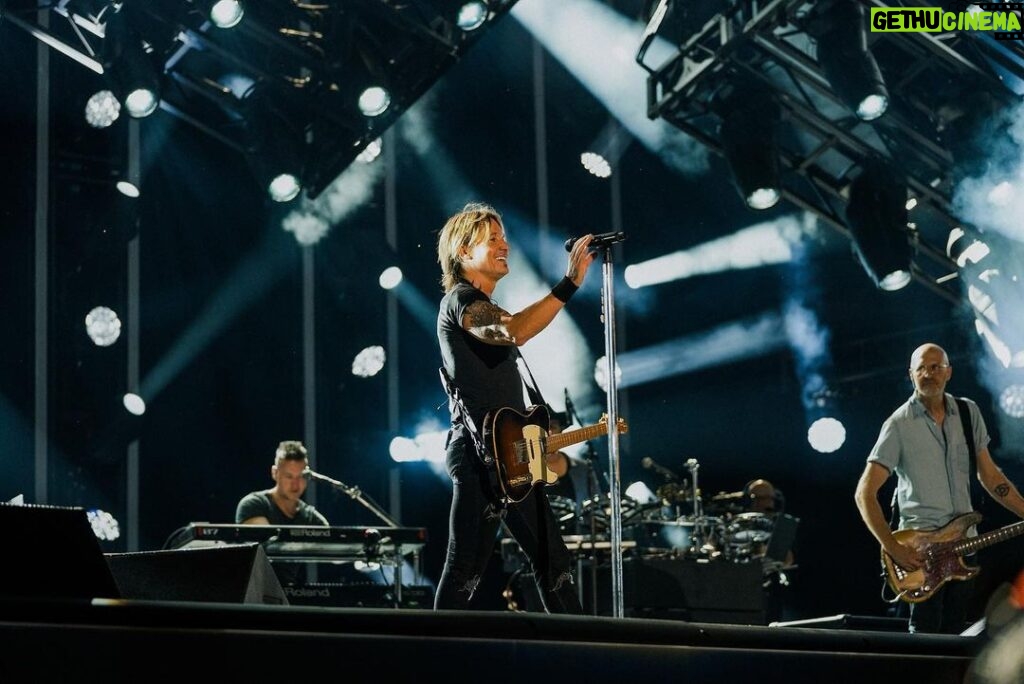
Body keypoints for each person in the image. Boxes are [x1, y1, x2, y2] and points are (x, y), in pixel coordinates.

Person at [434, 202, 595, 613]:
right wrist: (569, 284)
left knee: (553, 562)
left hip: (512, 455)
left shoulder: (483, 306)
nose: (504, 245)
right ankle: (430, 657)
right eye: (493, 239)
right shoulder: (461, 301)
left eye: (504, 237)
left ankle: (581, 655)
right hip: (480, 458)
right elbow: (514, 331)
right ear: (464, 252)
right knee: (464, 571)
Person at [854, 343, 1024, 634]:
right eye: (920, 368)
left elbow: (991, 476)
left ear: (948, 372)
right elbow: (864, 493)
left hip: (964, 546)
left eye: (935, 367)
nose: (928, 374)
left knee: (958, 633)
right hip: (920, 552)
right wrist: (893, 548)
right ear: (911, 375)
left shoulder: (968, 413)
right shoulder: (898, 424)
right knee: (925, 633)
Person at [236, 440, 329, 526]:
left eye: (301, 476)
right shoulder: (254, 505)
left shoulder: (314, 520)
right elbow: (266, 541)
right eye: (289, 477)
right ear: (275, 473)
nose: (295, 484)